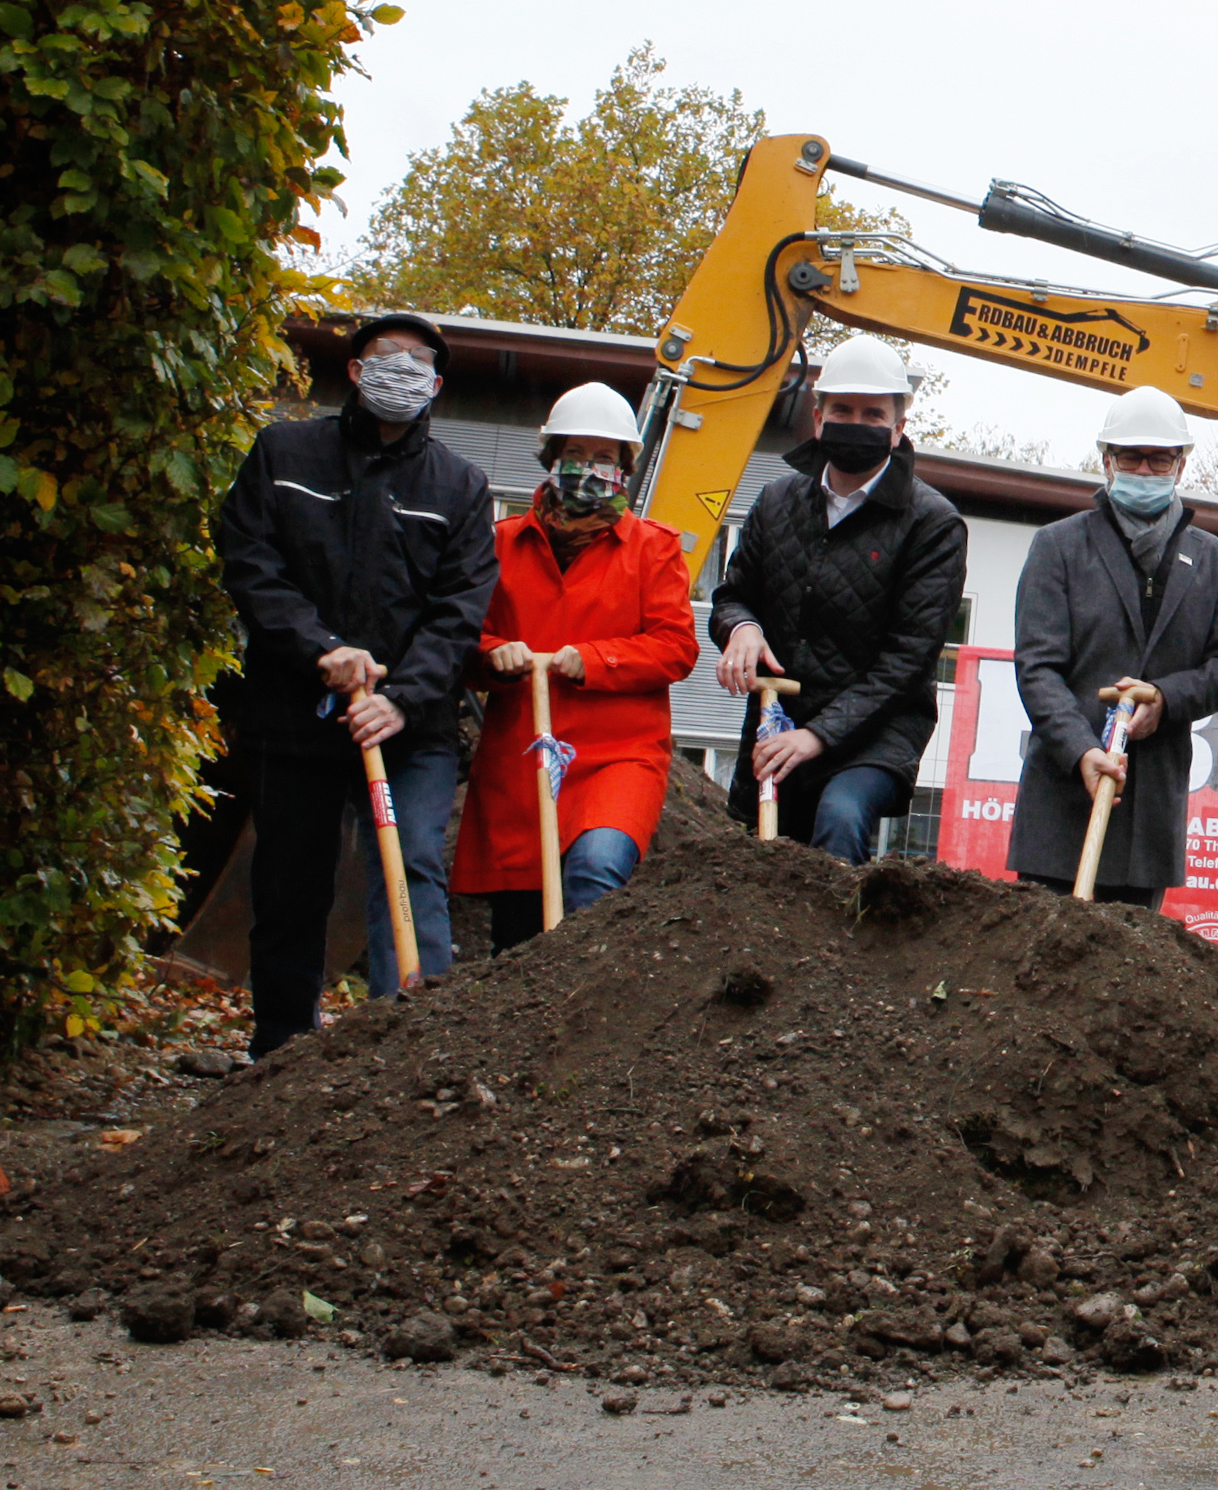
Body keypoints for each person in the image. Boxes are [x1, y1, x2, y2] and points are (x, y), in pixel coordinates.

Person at [213, 311, 498, 1056]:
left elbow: (460, 610)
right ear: (355, 370)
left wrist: (401, 701)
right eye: (386, 356)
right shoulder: (285, 453)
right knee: (289, 885)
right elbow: (249, 561)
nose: (401, 369)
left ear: (436, 384)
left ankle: (409, 1048)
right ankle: (279, 1049)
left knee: (410, 868)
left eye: (418, 361)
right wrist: (322, 650)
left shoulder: (461, 486)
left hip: (413, 727)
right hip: (298, 713)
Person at [451, 383, 699, 946]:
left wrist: (592, 659)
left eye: (605, 457)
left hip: (618, 754)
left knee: (597, 869)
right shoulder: (500, 544)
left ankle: (588, 1014)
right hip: (522, 755)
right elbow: (459, 638)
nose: (589, 469)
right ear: (552, 459)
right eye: (576, 455)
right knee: (519, 919)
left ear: (626, 467)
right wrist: (493, 652)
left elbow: (675, 646)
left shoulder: (652, 548)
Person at [709, 333, 969, 860]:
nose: (856, 422)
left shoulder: (933, 524)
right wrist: (742, 627)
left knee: (840, 817)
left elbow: (908, 660)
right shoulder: (776, 500)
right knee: (757, 857)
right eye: (843, 409)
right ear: (818, 415)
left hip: (878, 728)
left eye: (874, 414)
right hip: (779, 718)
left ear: (898, 428)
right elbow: (733, 595)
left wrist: (819, 736)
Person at [1005, 388, 1218, 908]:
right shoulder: (1059, 547)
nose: (1144, 468)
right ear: (1106, 461)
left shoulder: (1211, 559)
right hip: (1061, 807)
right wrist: (1082, 750)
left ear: (1180, 465)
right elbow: (1037, 668)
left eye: (1159, 458)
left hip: (1149, 814)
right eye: (1130, 456)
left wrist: (1165, 697)